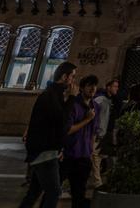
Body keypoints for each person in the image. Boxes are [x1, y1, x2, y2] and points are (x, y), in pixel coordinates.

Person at [19, 61, 77, 208]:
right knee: (54, 192)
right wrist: (72, 98)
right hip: (44, 152)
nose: (73, 81)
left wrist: (59, 148)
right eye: (73, 77)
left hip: (46, 150)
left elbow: (55, 124)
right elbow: (62, 123)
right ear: (65, 77)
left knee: (34, 192)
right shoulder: (50, 96)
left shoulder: (53, 94)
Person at [62, 75, 99, 208]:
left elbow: (94, 132)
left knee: (79, 194)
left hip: (84, 157)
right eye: (89, 85)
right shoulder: (73, 104)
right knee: (53, 191)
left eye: (94, 85)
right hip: (68, 154)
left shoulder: (95, 106)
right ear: (82, 88)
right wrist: (87, 119)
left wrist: (90, 151)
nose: (93, 88)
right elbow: (67, 130)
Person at [88, 77, 119, 189]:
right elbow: (94, 116)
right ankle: (97, 182)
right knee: (96, 157)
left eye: (117, 86)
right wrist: (96, 131)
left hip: (105, 134)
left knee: (100, 157)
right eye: (115, 86)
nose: (117, 89)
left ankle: (94, 179)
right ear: (108, 87)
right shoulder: (100, 99)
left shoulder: (111, 101)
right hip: (98, 133)